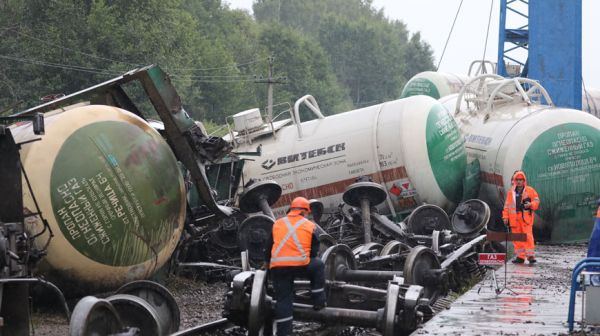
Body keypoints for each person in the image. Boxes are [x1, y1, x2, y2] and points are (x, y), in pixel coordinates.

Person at [264, 197, 326, 336]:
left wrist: (268, 266)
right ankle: (318, 301)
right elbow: (314, 252)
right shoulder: (310, 225)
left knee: (283, 300)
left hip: (278, 268)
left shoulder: (278, 223)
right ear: (304, 211)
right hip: (301, 265)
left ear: (291, 210)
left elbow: (268, 249)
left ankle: (284, 333)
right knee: (319, 265)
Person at [502, 170, 540, 264]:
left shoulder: (530, 190)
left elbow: (537, 202)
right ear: (515, 181)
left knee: (528, 237)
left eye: (521, 180)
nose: (519, 181)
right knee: (517, 239)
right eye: (517, 179)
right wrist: (505, 217)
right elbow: (506, 206)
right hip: (514, 219)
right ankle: (520, 257)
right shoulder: (511, 193)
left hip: (525, 219)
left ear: (524, 181)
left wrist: (530, 204)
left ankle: (530, 256)